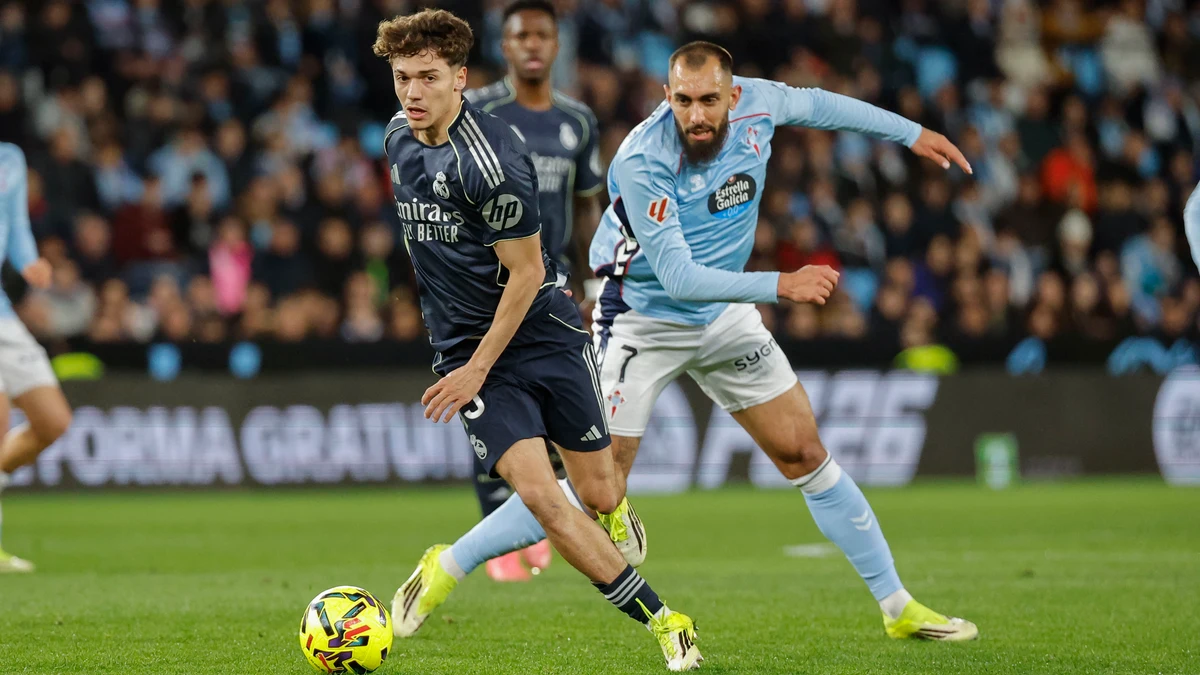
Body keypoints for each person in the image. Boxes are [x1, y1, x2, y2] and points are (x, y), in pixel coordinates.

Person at [446, 41, 980, 642]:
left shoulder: (762, 104)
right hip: (642, 316)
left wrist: (913, 134)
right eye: (682, 101)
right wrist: (782, 284)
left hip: (723, 311)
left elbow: (826, 106)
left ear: (733, 94)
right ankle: (449, 564)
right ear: (666, 96)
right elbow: (678, 278)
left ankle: (897, 606)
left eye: (707, 100)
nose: (695, 115)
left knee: (803, 452)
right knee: (599, 490)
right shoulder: (642, 157)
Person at [375, 11, 701, 671]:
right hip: (472, 352)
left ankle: (607, 507)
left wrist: (477, 365)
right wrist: (467, 359)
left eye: (428, 77)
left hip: (543, 333)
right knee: (545, 499)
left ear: (460, 78)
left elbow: (525, 275)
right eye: (403, 77)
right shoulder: (396, 137)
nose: (412, 91)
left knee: (599, 492)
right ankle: (666, 620)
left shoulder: (493, 160)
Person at [462, 0, 605, 582]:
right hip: (488, 286)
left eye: (542, 35)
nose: (533, 45)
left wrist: (593, 282)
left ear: (556, 44)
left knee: (552, 406)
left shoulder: (579, 121)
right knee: (489, 401)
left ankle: (530, 523)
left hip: (555, 286)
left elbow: (586, 207)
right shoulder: (477, 111)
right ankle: (497, 533)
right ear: (505, 45)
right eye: (521, 35)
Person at [0, 142, 74, 573]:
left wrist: (29, 261)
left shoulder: (10, 157)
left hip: (3, 313)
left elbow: (15, 224)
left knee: (53, 421)